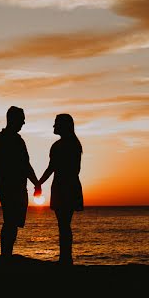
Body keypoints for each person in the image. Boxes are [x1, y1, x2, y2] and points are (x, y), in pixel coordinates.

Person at [0, 106, 41, 258]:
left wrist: (35, 183)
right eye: (22, 119)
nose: (24, 123)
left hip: (9, 186)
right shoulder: (9, 141)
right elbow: (24, 165)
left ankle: (7, 254)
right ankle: (6, 255)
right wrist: (36, 183)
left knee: (11, 222)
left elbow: (23, 164)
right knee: (11, 222)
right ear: (14, 119)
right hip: (11, 187)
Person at [37, 113, 83, 266]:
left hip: (63, 187)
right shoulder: (73, 145)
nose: (53, 126)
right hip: (68, 186)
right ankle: (66, 257)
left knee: (63, 224)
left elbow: (52, 168)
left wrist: (39, 183)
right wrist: (39, 183)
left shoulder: (61, 146)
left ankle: (65, 258)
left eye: (56, 123)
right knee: (64, 224)